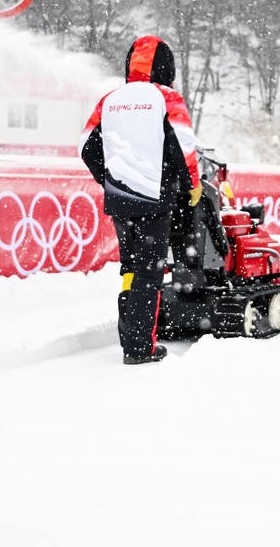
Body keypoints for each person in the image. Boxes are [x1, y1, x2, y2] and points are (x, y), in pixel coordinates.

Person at [80, 35, 201, 365]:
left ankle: (128, 336)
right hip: (155, 198)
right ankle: (139, 348)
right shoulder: (166, 97)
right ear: (167, 66)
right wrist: (191, 184)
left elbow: (86, 146)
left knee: (131, 269)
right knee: (150, 272)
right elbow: (182, 146)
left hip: (120, 199)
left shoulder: (110, 99)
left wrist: (110, 179)